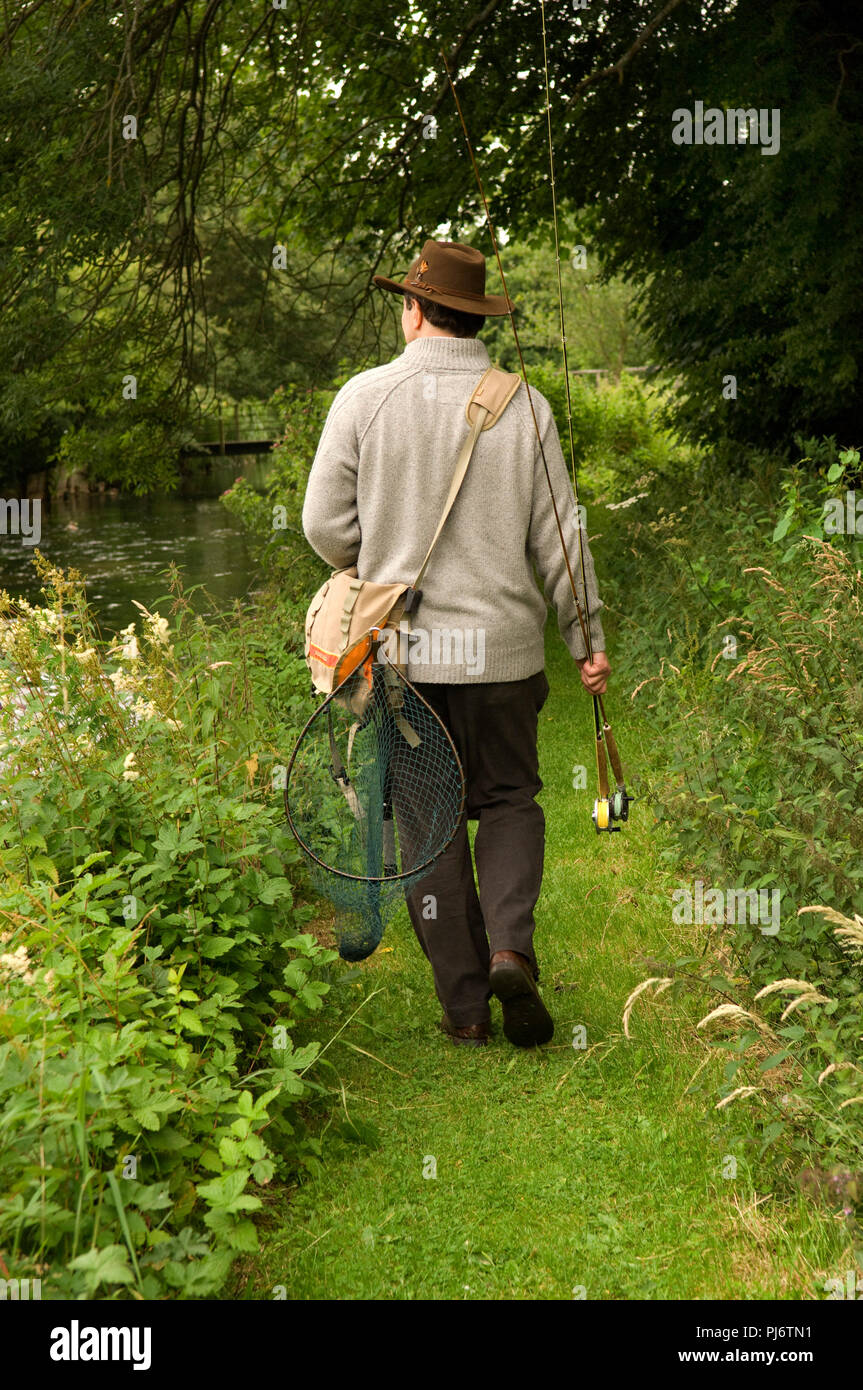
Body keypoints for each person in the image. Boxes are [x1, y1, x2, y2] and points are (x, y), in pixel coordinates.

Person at [302, 238, 610, 1048]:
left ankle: (468, 1013)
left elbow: (323, 528)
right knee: (509, 799)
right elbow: (562, 540)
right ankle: (510, 947)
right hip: (505, 652)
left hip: (404, 660)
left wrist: (375, 562)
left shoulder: (364, 397)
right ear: (476, 317)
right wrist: (586, 638)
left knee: (429, 822)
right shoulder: (525, 405)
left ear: (412, 310)